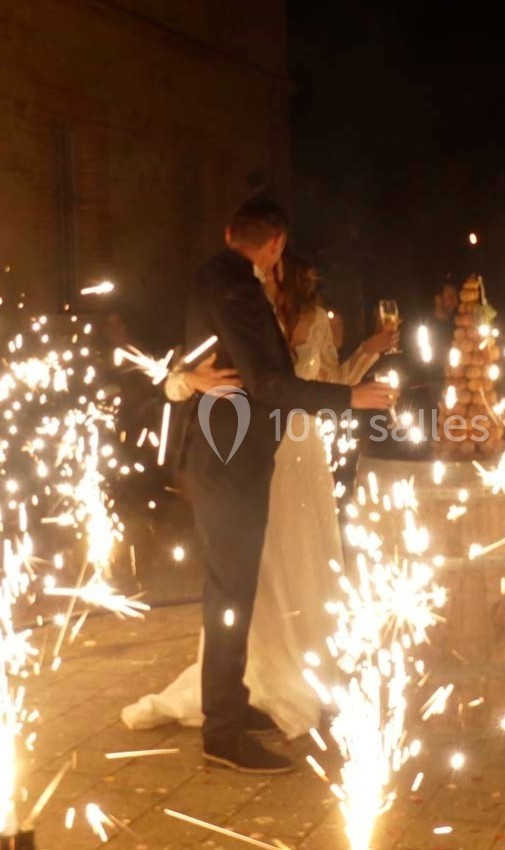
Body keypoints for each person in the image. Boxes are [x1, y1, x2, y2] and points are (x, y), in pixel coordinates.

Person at [124, 198, 395, 774]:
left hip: (229, 460)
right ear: (275, 245)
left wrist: (185, 375)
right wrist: (350, 397)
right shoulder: (236, 286)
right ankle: (223, 734)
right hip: (228, 463)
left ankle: (230, 702)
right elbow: (268, 382)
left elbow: (226, 364)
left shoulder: (215, 277)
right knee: (231, 593)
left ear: (231, 233)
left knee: (235, 591)